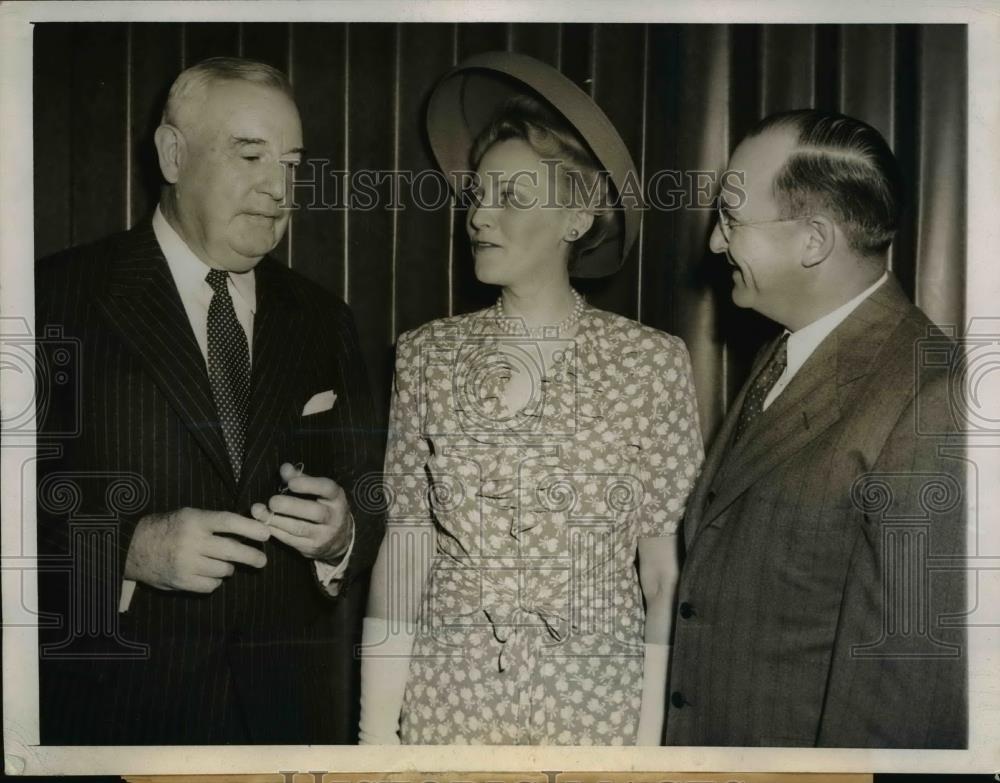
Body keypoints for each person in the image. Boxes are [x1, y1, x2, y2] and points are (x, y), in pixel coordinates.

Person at [357, 52, 704, 746]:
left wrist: (648, 745)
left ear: (577, 216)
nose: (479, 216)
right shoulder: (426, 355)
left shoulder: (651, 362)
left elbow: (663, 576)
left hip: (597, 715)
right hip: (447, 711)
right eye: (477, 195)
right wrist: (375, 737)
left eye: (511, 198)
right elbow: (405, 553)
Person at [35, 57, 384, 744]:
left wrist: (342, 534)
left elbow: (371, 494)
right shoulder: (53, 298)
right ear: (173, 154)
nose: (278, 188)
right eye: (249, 156)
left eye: (291, 163)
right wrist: (126, 550)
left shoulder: (324, 319)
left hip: (284, 723)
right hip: (112, 720)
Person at [665, 109, 967, 748]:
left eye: (731, 220)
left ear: (813, 241)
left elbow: (904, 692)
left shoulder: (932, 398)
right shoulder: (786, 348)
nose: (715, 243)